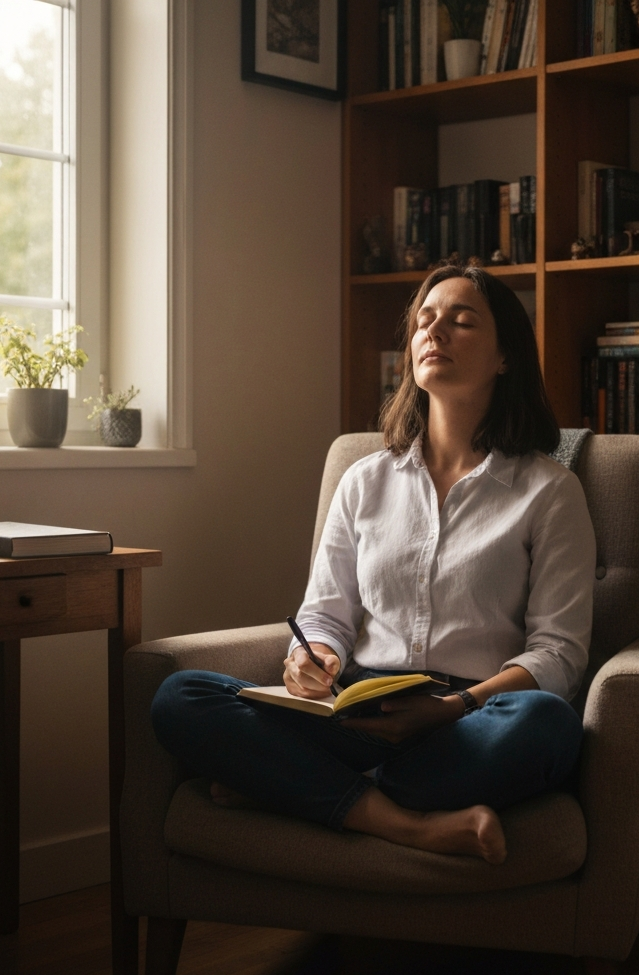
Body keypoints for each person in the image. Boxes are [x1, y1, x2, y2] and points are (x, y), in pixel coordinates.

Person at [151, 264, 596, 865]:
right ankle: (406, 823)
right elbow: (325, 614)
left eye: (461, 321)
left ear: (505, 358)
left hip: (469, 719)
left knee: (548, 724)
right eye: (424, 321)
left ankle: (293, 791)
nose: (433, 332)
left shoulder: (549, 490)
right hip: (359, 710)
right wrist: (314, 659)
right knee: (181, 696)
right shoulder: (365, 480)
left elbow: (559, 654)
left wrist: (453, 708)